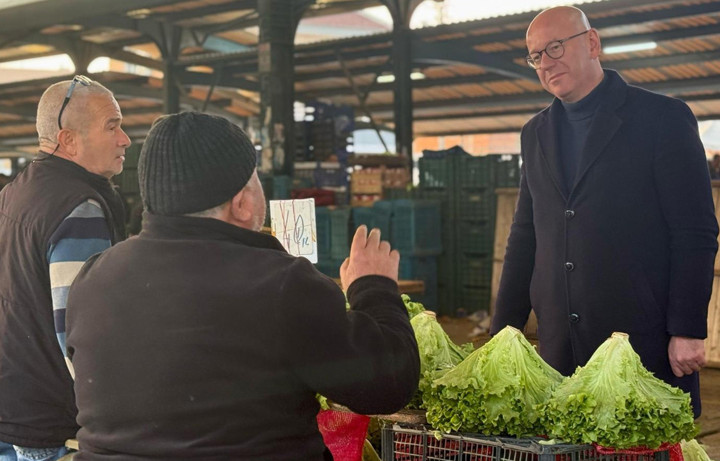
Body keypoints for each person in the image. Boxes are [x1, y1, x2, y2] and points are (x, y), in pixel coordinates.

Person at [65, 112, 420, 460]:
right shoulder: (280, 283)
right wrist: (373, 285)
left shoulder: (92, 278)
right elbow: (388, 386)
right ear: (242, 202)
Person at [491, 6, 719, 418]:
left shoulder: (662, 119)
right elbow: (525, 237)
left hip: (639, 340)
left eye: (555, 47)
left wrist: (687, 329)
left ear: (592, 43)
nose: (546, 63)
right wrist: (501, 335)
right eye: (536, 56)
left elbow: (695, 233)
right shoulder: (534, 134)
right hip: (559, 345)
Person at [0, 76, 130, 461]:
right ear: (69, 140)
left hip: (13, 405)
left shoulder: (14, 192)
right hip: (48, 424)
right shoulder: (79, 209)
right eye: (112, 126)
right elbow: (80, 331)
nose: (124, 139)